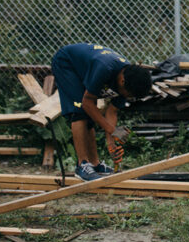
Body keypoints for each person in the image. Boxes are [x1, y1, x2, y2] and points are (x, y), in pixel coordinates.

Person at [51, 43, 152, 181]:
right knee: (80, 111)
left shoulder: (129, 77)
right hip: (67, 63)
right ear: (122, 81)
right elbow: (87, 103)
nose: (127, 97)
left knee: (91, 117)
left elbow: (112, 112)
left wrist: (111, 143)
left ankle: (95, 164)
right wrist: (113, 130)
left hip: (86, 68)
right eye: (128, 94)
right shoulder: (104, 68)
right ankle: (82, 164)